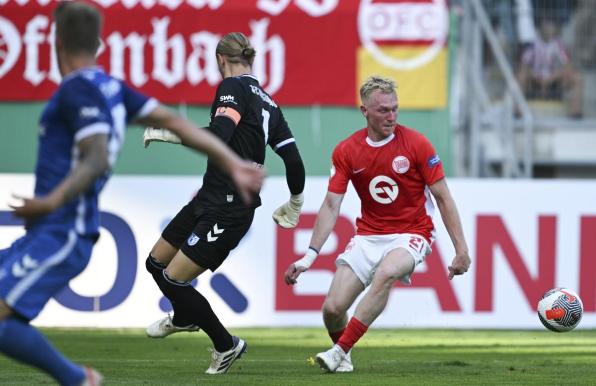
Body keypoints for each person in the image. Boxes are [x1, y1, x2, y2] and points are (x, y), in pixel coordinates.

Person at [0, 2, 264, 386]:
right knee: (157, 266)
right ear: (99, 44)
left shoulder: (79, 89)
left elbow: (95, 157)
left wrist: (49, 202)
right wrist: (233, 161)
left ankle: (79, 379)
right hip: (46, 234)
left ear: (57, 42)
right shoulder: (111, 87)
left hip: (61, 231)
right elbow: (173, 121)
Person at [284, 76, 471, 373]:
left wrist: (461, 249)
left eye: (395, 109)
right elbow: (332, 204)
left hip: (412, 233)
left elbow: (444, 198)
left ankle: (339, 351)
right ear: (365, 111)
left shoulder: (417, 144)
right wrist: (309, 256)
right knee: (332, 310)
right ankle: (342, 358)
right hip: (369, 236)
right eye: (384, 110)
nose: (392, 116)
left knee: (386, 273)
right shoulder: (347, 150)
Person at [143, 32, 305, 375]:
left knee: (173, 280)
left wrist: (171, 131)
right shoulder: (270, 104)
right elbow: (294, 160)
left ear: (221, 60)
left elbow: (219, 134)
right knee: (155, 264)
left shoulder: (232, 87)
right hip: (208, 197)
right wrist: (295, 202)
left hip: (228, 208)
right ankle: (185, 317)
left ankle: (225, 344)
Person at [517, 17, 583, 118]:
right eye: (548, 24)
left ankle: (575, 113)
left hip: (553, 83)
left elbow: (568, 66)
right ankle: (518, 112)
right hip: (535, 83)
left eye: (553, 24)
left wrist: (552, 77)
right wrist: (535, 76)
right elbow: (524, 66)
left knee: (577, 78)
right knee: (520, 76)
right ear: (541, 26)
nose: (551, 27)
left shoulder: (559, 43)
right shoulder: (532, 43)